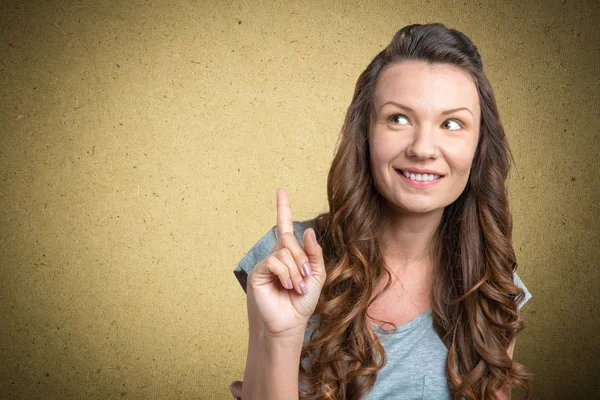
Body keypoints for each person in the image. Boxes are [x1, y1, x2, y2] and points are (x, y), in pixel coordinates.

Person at [230, 23, 533, 400]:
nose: (423, 148)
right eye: (398, 118)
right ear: (366, 134)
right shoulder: (285, 263)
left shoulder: (493, 285)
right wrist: (282, 336)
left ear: (478, 146)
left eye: (451, 123)